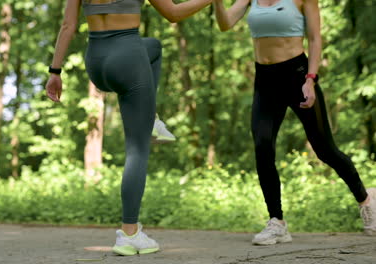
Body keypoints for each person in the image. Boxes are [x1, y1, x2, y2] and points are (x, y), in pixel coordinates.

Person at [45, 0, 211, 255]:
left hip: (97, 63)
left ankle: (152, 118)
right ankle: (129, 233)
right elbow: (174, 14)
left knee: (154, 46)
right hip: (128, 60)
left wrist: (55, 72)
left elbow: (68, 25)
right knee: (137, 149)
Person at [213, 0, 376, 245]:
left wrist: (310, 80)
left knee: (325, 150)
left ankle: (366, 201)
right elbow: (225, 23)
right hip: (265, 81)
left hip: (297, 76)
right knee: (262, 144)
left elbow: (314, 38)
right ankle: (277, 222)